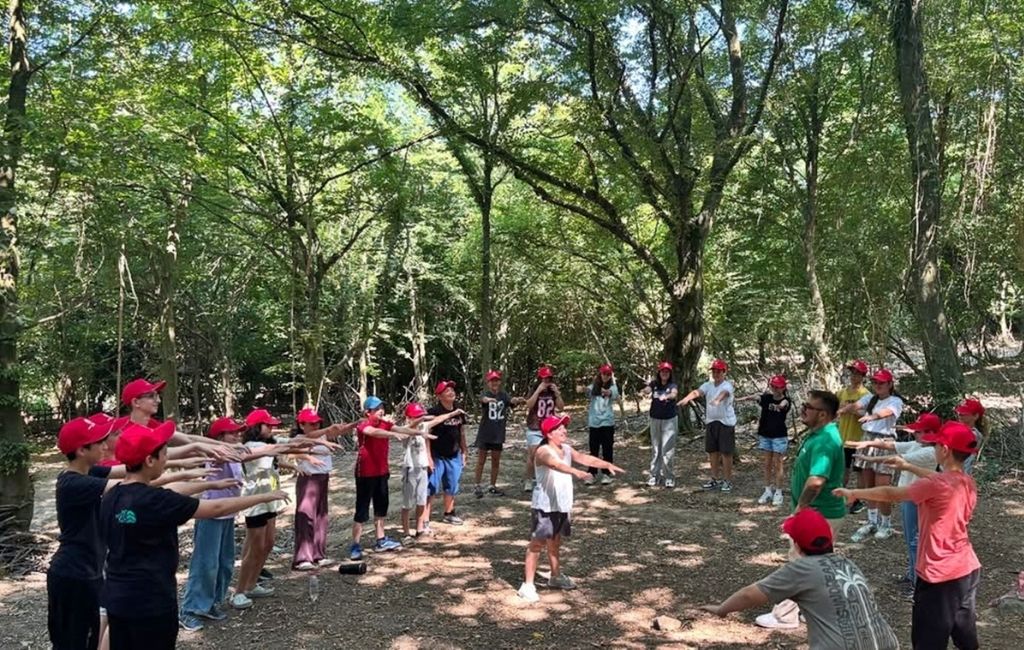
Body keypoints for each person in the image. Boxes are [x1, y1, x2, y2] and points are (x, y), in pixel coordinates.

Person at [100, 421, 288, 650]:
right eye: (164, 454)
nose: (166, 459)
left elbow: (170, 490)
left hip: (117, 595)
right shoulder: (157, 501)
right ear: (149, 460)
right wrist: (264, 497)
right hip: (152, 600)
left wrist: (211, 484)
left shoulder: (112, 496)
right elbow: (216, 508)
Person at [834, 421, 981, 650]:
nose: (933, 448)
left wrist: (854, 492)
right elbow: (936, 479)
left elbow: (890, 493)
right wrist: (908, 467)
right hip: (967, 569)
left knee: (928, 640)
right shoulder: (966, 481)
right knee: (964, 632)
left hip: (939, 573)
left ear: (944, 450)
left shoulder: (936, 484)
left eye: (936, 445)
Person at [701, 508, 900, 650]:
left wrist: (722, 609)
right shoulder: (847, 563)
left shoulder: (802, 569)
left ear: (797, 546)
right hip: (887, 642)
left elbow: (749, 595)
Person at [754, 389, 846, 631]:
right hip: (818, 513)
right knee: (816, 565)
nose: (803, 409)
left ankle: (785, 616)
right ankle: (812, 610)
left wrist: (800, 510)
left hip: (819, 513)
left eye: (809, 407)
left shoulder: (826, 440)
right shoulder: (819, 434)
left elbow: (816, 481)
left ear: (823, 414)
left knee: (799, 564)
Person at [516, 415, 625, 603]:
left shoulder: (565, 448)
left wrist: (605, 464)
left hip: (561, 503)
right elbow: (555, 464)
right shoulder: (542, 451)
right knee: (537, 543)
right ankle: (527, 585)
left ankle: (555, 576)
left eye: (564, 427)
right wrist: (576, 472)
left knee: (555, 540)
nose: (564, 431)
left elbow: (583, 458)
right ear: (549, 433)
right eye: (559, 428)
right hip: (545, 505)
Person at [47, 416, 126, 650]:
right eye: (99, 442)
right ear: (82, 450)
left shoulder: (89, 472)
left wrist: (192, 455)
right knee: (71, 643)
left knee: (90, 640)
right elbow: (132, 483)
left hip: (89, 573)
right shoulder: (72, 484)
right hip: (73, 576)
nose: (105, 446)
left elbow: (129, 469)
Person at [847, 412, 939, 599]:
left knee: (915, 541)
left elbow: (897, 459)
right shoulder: (918, 445)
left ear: (930, 433)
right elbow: (892, 446)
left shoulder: (930, 452)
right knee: (911, 540)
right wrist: (868, 444)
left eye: (919, 431)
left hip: (917, 499)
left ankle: (917, 583)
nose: (915, 433)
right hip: (909, 497)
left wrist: (870, 459)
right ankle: (912, 575)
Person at [350, 396, 434, 560]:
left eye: (382, 408)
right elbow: (375, 433)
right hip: (365, 473)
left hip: (382, 472)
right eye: (377, 409)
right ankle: (355, 545)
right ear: (368, 412)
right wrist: (392, 434)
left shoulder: (385, 424)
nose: (381, 411)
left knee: (381, 508)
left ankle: (381, 540)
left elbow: (403, 429)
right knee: (362, 510)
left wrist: (420, 433)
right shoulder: (363, 424)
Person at [842, 368, 904, 542]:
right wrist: (843, 410)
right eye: (875, 382)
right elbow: (856, 405)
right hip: (867, 439)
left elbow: (888, 412)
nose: (877, 385)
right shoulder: (870, 398)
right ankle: (872, 521)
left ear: (890, 384)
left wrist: (873, 417)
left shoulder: (895, 401)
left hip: (884, 441)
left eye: (881, 382)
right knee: (868, 485)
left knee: (882, 486)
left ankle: (886, 524)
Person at [291, 408, 354, 571]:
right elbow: (295, 451)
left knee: (321, 516)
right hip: (308, 479)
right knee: (306, 516)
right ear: (301, 425)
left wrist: (355, 424)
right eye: (311, 423)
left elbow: (339, 430)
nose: (316, 426)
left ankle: (318, 554)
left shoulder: (322, 435)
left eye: (317, 423)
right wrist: (326, 431)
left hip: (323, 478)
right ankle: (303, 557)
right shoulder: (299, 438)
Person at [400, 403, 458, 541]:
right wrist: (421, 419)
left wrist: (453, 413)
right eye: (417, 416)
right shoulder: (404, 429)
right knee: (407, 503)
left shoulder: (424, 426)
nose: (420, 419)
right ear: (408, 418)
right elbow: (405, 432)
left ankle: (420, 529)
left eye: (421, 416)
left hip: (423, 468)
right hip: (410, 468)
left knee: (421, 500)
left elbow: (438, 419)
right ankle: (406, 533)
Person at [679, 358, 736, 492]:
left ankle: (727, 481)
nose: (716, 374)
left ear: (724, 372)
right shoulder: (708, 385)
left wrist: (717, 400)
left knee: (726, 452)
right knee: (713, 452)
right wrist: (687, 399)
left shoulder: (727, 385)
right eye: (714, 371)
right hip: (711, 422)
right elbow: (697, 392)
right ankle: (714, 479)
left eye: (718, 371)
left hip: (725, 423)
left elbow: (724, 394)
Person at [737, 375, 791, 506]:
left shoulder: (786, 400)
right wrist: (740, 399)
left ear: (783, 388)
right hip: (765, 435)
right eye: (773, 386)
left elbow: (783, 405)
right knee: (767, 463)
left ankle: (778, 492)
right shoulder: (766, 398)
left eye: (778, 387)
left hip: (779, 436)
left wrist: (779, 406)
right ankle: (767, 490)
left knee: (778, 464)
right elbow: (756, 397)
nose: (775, 389)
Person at [473, 370, 522, 497]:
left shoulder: (503, 395)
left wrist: (516, 400)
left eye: (496, 380)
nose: (494, 383)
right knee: (481, 460)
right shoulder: (485, 393)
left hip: (498, 433)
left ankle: (492, 485)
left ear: (499, 382)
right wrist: (488, 400)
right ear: (488, 383)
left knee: (496, 461)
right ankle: (477, 485)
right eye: (492, 381)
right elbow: (483, 399)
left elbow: (511, 402)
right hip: (485, 432)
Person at [428, 380, 469, 525]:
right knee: (431, 487)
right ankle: (424, 519)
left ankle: (449, 513)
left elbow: (461, 432)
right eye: (447, 390)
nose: (451, 392)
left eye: (452, 389)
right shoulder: (433, 412)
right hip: (437, 454)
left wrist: (464, 451)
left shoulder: (458, 410)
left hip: (454, 454)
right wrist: (428, 457)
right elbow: (427, 434)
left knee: (452, 485)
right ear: (439, 396)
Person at [522, 366, 564, 492]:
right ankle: (529, 479)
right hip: (535, 426)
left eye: (549, 378)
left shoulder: (553, 391)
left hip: (549, 427)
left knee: (550, 454)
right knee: (533, 454)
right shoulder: (534, 389)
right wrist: (538, 391)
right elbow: (528, 404)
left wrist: (557, 394)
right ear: (540, 379)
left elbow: (561, 407)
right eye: (544, 379)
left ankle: (546, 479)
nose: (547, 381)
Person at [836, 360, 870, 513]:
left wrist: (852, 410)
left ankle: (858, 499)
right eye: (852, 373)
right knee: (843, 469)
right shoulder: (842, 393)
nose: (854, 376)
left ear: (863, 376)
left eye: (857, 373)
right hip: (843, 438)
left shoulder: (866, 394)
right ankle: (839, 497)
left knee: (859, 471)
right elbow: (836, 409)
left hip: (859, 439)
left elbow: (868, 415)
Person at [641, 361, 679, 488]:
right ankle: (654, 475)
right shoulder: (654, 384)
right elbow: (648, 389)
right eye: (663, 371)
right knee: (656, 448)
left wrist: (667, 396)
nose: (664, 373)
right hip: (655, 419)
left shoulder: (672, 385)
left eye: (667, 371)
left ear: (670, 373)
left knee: (667, 449)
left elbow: (674, 394)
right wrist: (645, 390)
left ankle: (669, 477)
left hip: (669, 420)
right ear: (659, 372)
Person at [586, 363, 619, 486]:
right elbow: (587, 391)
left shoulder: (613, 387)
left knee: (607, 449)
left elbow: (610, 393)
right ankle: (592, 473)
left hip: (607, 423)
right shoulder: (592, 386)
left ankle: (606, 473)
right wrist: (584, 389)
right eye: (604, 373)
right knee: (593, 450)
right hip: (594, 423)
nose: (606, 376)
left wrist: (602, 390)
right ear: (600, 374)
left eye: (608, 374)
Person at [954, 397, 986, 475]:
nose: (960, 415)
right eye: (959, 412)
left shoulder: (974, 434)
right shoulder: (960, 429)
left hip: (961, 473)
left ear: (975, 416)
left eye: (964, 413)